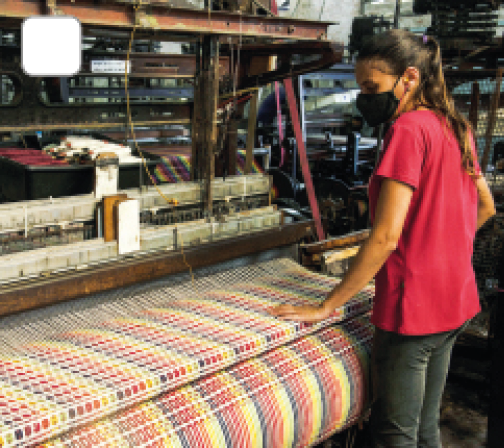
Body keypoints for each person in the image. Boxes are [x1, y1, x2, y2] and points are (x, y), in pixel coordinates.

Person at [269, 29, 496, 447]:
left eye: (372, 87)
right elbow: (485, 206)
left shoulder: (409, 129)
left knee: (394, 434)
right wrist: (444, 248)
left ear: (408, 78)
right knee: (425, 428)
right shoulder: (455, 126)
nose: (365, 97)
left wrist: (326, 305)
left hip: (412, 311)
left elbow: (386, 236)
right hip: (455, 299)